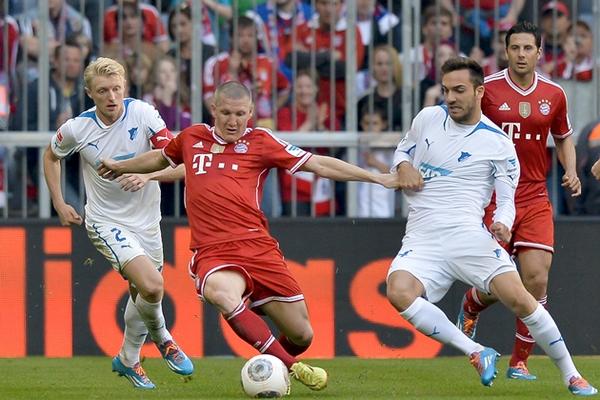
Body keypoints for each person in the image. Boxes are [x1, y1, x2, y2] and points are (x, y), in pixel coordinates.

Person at [97, 81, 401, 391]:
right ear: (214, 110)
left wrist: (376, 178)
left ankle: (273, 368)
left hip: (258, 248)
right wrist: (123, 167)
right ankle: (294, 368)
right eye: (226, 113)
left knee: (302, 335)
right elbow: (163, 157)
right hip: (213, 250)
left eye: (240, 114)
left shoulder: (262, 141)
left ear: (251, 113)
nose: (232, 121)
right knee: (220, 292)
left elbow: (319, 164)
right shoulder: (192, 138)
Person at [386, 56, 597, 396]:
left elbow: (508, 199)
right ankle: (476, 351)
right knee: (398, 292)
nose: (450, 98)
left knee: (524, 300)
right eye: (445, 91)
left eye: (458, 90)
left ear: (479, 92)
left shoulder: (497, 142)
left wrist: (502, 222)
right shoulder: (427, 117)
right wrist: (404, 164)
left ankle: (571, 374)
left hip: (469, 237)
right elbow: (402, 151)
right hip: (422, 238)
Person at [42, 57, 193, 389]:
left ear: (124, 87)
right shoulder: (77, 128)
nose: (111, 97)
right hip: (105, 222)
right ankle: (164, 338)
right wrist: (59, 201)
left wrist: (147, 174)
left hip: (147, 221)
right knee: (153, 286)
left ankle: (128, 358)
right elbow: (51, 156)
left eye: (116, 88)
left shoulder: (143, 114)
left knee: (142, 291)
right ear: (89, 94)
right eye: (102, 91)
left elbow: (180, 162)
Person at [456, 21, 582, 381]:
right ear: (506, 51)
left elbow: (562, 137)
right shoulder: (489, 90)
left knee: (536, 279)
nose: (522, 55)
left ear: (539, 53)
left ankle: (519, 362)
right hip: (496, 195)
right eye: (515, 48)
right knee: (500, 280)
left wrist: (570, 170)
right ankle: (472, 302)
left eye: (528, 49)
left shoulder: (554, 93)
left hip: (535, 193)